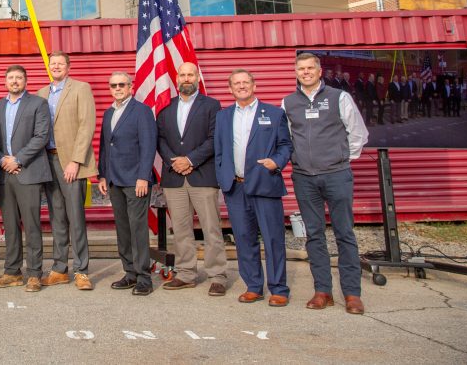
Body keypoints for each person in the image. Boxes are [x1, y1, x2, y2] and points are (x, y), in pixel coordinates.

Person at [283, 52, 369, 315]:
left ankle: (352, 294)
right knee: (314, 234)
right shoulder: (288, 103)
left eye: (310, 68)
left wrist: (341, 159)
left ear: (320, 71)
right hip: (304, 177)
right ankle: (323, 291)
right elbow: (286, 138)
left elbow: (358, 134)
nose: (305, 72)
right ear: (296, 73)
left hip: (336, 175)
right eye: (301, 69)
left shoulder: (339, 97)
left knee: (344, 233)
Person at [214, 70, 293, 307]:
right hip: (235, 187)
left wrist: (276, 162)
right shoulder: (223, 116)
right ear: (230, 89)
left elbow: (286, 145)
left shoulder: (274, 113)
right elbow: (219, 150)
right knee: (244, 238)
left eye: (245, 82)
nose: (241, 86)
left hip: (265, 184)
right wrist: (223, 175)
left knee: (272, 238)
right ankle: (254, 286)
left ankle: (278, 288)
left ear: (254, 85)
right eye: (236, 83)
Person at [155, 62, 228, 296]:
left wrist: (190, 160)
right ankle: (186, 273)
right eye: (183, 75)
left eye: (191, 74)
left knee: (211, 228)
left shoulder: (212, 106)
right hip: (174, 178)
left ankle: (217, 275)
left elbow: (214, 138)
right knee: (181, 228)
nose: (187, 78)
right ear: (177, 79)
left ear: (197, 77)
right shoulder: (166, 108)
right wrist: (174, 161)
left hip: (203, 176)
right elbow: (161, 140)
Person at [36, 51, 97, 290]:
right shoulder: (41, 93)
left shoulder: (81, 88)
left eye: (61, 63)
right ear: (48, 67)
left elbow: (86, 125)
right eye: (53, 64)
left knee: (75, 218)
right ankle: (60, 269)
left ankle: (81, 270)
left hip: (71, 163)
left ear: (68, 67)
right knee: (57, 218)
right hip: (48, 162)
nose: (56, 67)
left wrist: (75, 160)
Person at [0, 65, 52, 292]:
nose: (14, 81)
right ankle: (12, 271)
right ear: (5, 81)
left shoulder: (38, 104)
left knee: (32, 224)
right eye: (10, 78)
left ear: (25, 81)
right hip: (5, 174)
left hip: (29, 172)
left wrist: (18, 159)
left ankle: (34, 273)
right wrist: (2, 160)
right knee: (10, 225)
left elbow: (42, 136)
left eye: (18, 78)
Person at [97, 71, 157, 296]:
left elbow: (148, 145)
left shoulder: (141, 112)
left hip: (135, 180)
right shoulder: (108, 113)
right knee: (123, 228)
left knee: (137, 228)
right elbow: (105, 147)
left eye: (122, 84)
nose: (118, 88)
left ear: (131, 87)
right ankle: (129, 272)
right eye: (113, 85)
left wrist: (144, 176)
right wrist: (102, 175)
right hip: (114, 180)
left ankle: (144, 277)